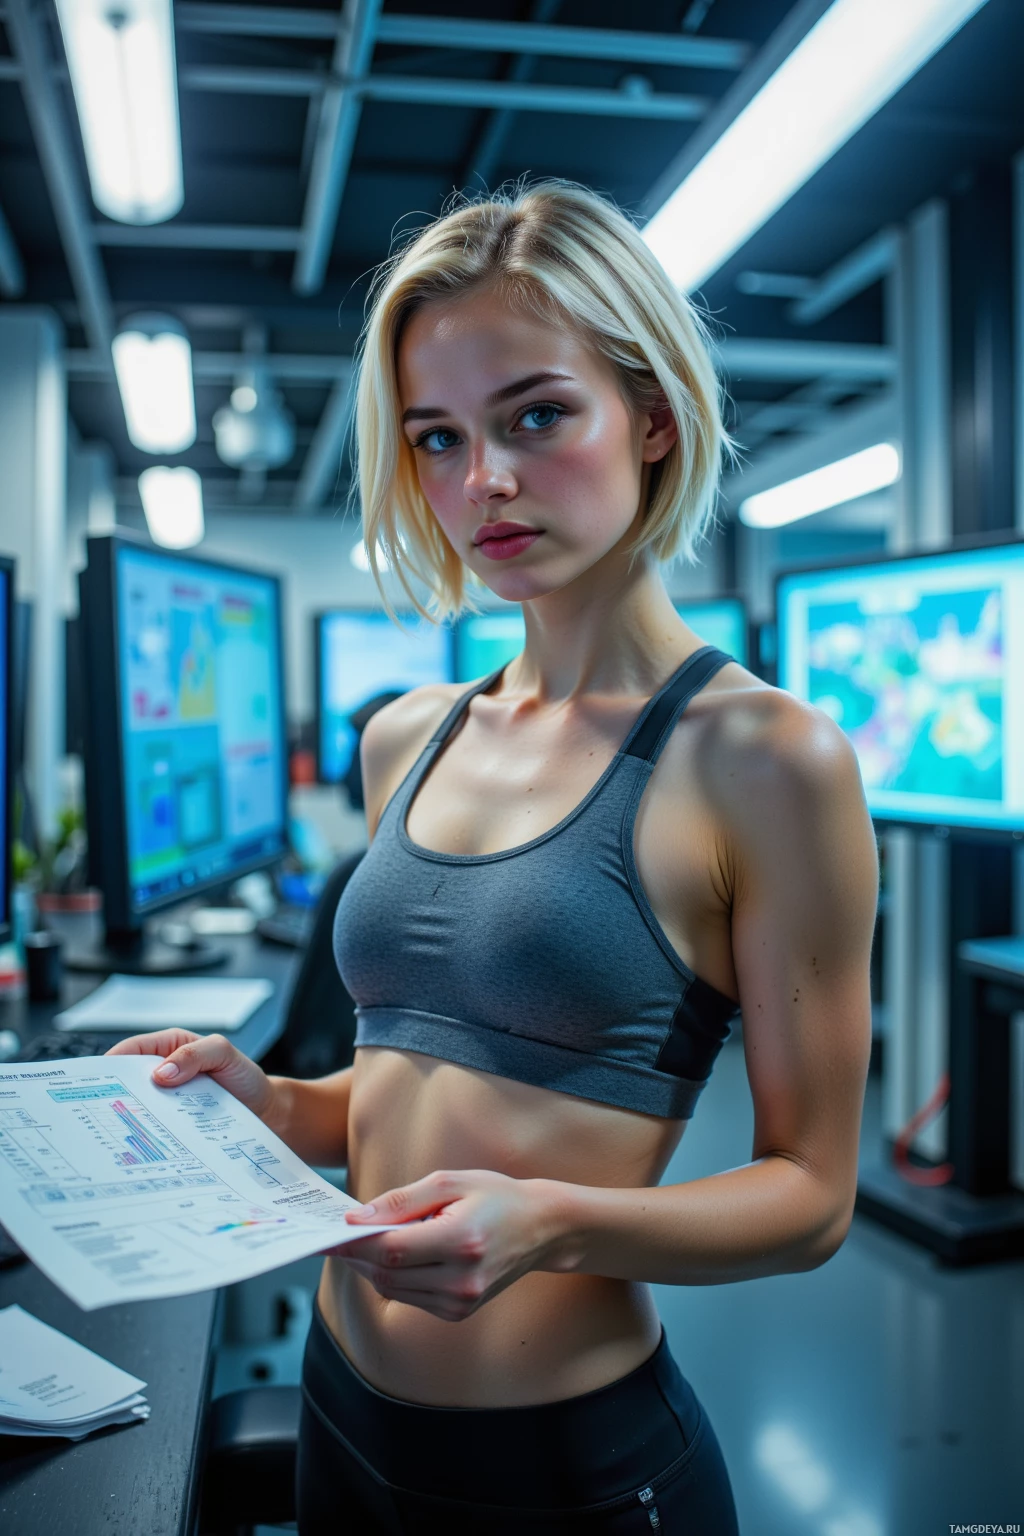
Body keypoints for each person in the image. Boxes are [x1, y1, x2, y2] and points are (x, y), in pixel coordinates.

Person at [109, 181, 879, 1533]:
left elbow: (809, 1198)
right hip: (339, 1414)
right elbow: (415, 1089)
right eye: (438, 438)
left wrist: (553, 1224)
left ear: (652, 415)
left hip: (568, 1472)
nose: (485, 483)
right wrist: (266, 1102)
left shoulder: (765, 760)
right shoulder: (409, 736)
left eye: (536, 415)